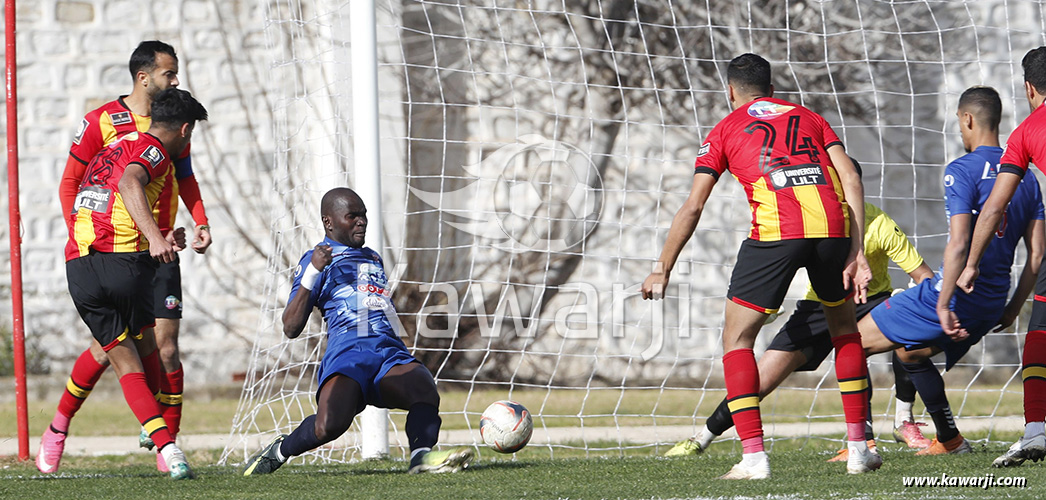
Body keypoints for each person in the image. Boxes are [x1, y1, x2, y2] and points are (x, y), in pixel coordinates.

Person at [641, 53, 877, 479]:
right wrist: (856, 250)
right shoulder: (810, 117)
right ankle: (859, 449)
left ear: (730, 90)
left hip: (776, 236)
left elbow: (694, 205)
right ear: (771, 86)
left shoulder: (724, 130)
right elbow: (852, 179)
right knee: (845, 331)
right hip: (832, 229)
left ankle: (753, 458)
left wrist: (663, 266)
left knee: (737, 339)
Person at [38, 40, 211, 474]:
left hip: (158, 252)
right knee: (112, 349)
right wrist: (87, 235)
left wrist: (200, 220)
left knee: (164, 347)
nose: (175, 80)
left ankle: (163, 444)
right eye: (169, 73)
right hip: (119, 251)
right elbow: (72, 183)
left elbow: (184, 177)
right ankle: (68, 430)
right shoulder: (104, 123)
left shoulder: (174, 120)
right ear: (143, 76)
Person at [665, 190, 935, 458]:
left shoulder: (879, 223)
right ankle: (702, 438)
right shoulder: (812, 220)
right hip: (819, 307)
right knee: (759, 380)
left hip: (869, 301)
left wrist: (926, 305)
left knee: (905, 329)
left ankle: (900, 422)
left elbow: (923, 275)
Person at [859, 86, 1044, 457]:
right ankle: (950, 440)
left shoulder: (961, 170)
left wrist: (943, 301)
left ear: (968, 119)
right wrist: (1010, 309)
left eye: (959, 124)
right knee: (911, 354)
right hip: (992, 303)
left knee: (849, 341)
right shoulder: (1027, 177)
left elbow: (959, 244)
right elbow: (1037, 256)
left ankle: (857, 443)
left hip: (953, 295)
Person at [242, 188, 474, 475]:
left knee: (423, 388)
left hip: (387, 354)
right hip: (348, 355)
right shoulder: (314, 261)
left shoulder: (373, 258)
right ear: (329, 222)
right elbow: (290, 327)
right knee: (330, 426)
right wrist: (314, 272)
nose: (361, 222)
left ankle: (421, 458)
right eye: (352, 216)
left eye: (363, 216)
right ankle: (280, 450)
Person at [958, 47, 1046, 467]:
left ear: (1030, 88)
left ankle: (1036, 430)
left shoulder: (1027, 132)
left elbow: (994, 207)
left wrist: (972, 263)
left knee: (1040, 334)